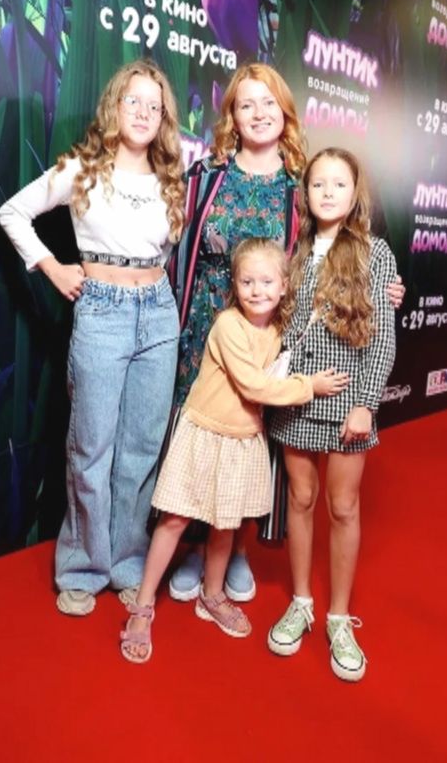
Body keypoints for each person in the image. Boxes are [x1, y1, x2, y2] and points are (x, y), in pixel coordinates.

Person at [167, 62, 405, 603]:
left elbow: (338, 254)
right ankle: (198, 545)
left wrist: (386, 287)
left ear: (285, 112)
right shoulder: (206, 175)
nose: (258, 113)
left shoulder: (298, 186)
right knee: (204, 432)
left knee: (253, 439)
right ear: (231, 115)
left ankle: (238, 546)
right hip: (206, 326)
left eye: (268, 102)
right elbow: (175, 247)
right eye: (245, 104)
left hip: (272, 333)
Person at [0, 60, 185, 615]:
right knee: (91, 447)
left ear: (164, 117)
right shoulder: (82, 169)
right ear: (114, 107)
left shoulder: (171, 179)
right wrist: (53, 268)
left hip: (158, 313)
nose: (144, 113)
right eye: (134, 101)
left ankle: (127, 562)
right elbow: (13, 212)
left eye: (154, 105)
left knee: (141, 449)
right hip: (102, 310)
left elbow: (171, 252)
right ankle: (82, 566)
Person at [119, 238, 350, 663]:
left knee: (226, 524)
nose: (256, 290)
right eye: (247, 281)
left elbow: (322, 310)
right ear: (235, 285)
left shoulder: (280, 330)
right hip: (205, 434)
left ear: (284, 286)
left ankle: (212, 595)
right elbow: (253, 386)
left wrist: (388, 289)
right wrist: (309, 387)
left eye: (267, 282)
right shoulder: (228, 325)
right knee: (174, 519)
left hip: (243, 439)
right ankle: (143, 604)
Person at [266, 147, 397, 682]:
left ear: (354, 192)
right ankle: (301, 601)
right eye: (318, 183)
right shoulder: (293, 251)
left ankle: (339, 617)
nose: (327, 192)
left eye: (338, 184)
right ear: (306, 193)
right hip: (299, 396)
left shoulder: (375, 253)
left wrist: (366, 403)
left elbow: (383, 338)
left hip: (348, 402)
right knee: (300, 499)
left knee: (342, 506)